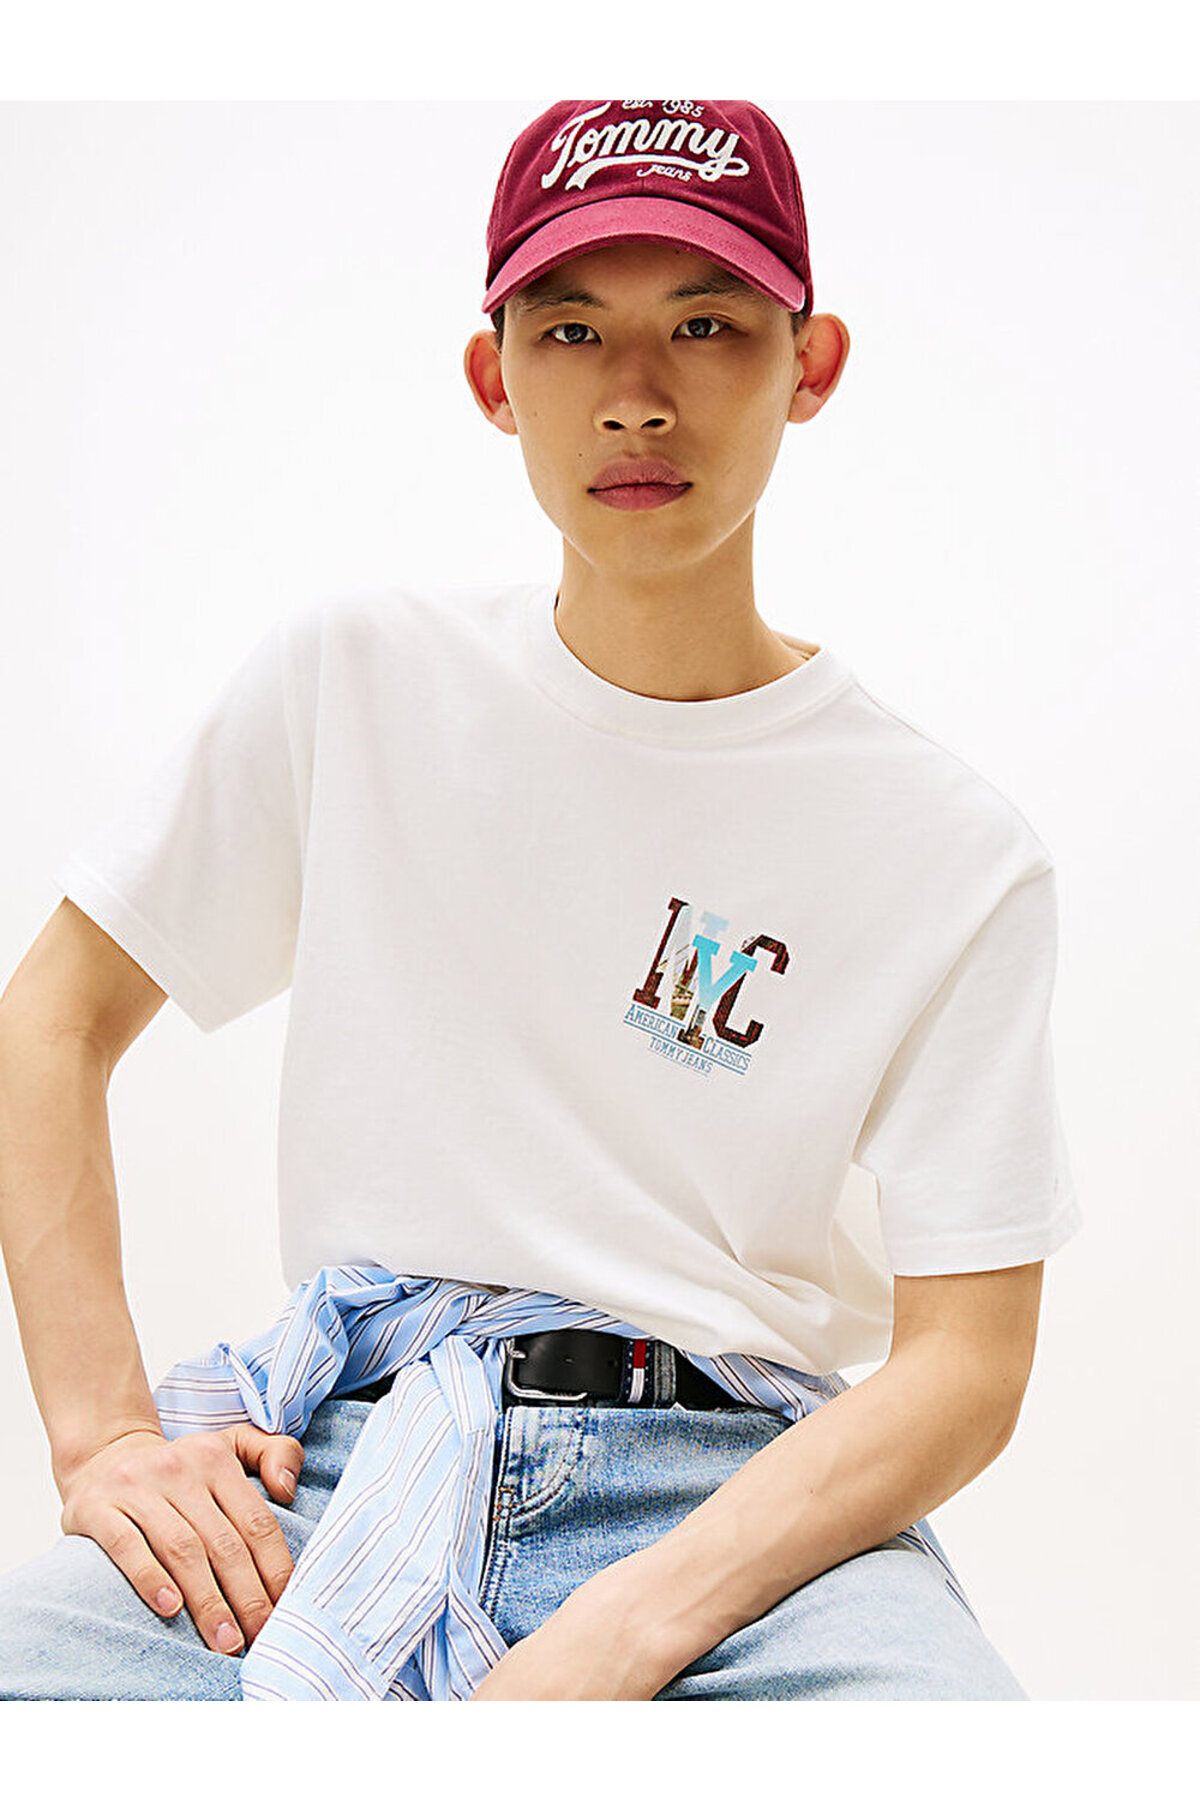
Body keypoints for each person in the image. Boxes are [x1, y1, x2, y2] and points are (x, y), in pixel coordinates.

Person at [0, 99, 1082, 1702]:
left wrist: (626, 1629)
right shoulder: (355, 682)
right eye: (572, 331)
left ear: (812, 363)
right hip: (340, 1461)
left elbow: (967, 1362)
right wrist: (103, 1437)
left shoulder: (950, 848)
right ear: (494, 379)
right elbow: (55, 1014)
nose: (635, 394)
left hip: (745, 1503)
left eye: (705, 325)